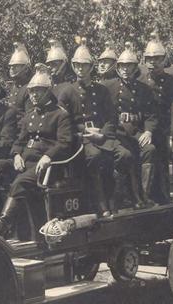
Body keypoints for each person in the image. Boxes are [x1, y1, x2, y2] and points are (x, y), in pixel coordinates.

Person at [0, 64, 75, 237]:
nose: (34, 95)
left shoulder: (60, 115)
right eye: (31, 92)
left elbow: (65, 142)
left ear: (47, 91)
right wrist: (15, 155)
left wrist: (47, 156)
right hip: (25, 161)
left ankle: (3, 223)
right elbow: (19, 140)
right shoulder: (29, 116)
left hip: (48, 166)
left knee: (20, 182)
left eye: (38, 91)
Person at [58, 38, 118, 216]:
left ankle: (118, 201)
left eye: (84, 65)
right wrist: (84, 132)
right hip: (80, 139)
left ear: (91, 67)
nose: (80, 69)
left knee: (122, 156)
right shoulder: (67, 91)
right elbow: (63, 122)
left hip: (101, 137)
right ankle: (100, 204)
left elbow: (111, 118)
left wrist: (103, 134)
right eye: (77, 65)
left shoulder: (101, 91)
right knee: (95, 157)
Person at [102, 42, 159, 208]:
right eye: (122, 66)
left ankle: (143, 195)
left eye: (129, 66)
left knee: (150, 150)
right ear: (117, 68)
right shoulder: (108, 87)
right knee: (125, 155)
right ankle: (124, 196)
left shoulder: (144, 89)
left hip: (136, 133)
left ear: (135, 68)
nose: (125, 69)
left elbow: (151, 115)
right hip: (116, 134)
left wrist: (148, 132)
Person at [141, 32, 173, 202]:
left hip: (168, 130)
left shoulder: (172, 83)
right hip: (147, 130)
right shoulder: (140, 81)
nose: (152, 62)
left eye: (157, 59)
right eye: (149, 59)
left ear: (164, 60)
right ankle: (145, 195)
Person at [6, 42, 33, 119]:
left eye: (16, 66)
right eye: (11, 66)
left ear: (26, 69)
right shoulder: (14, 87)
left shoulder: (29, 88)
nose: (12, 68)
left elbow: (29, 117)